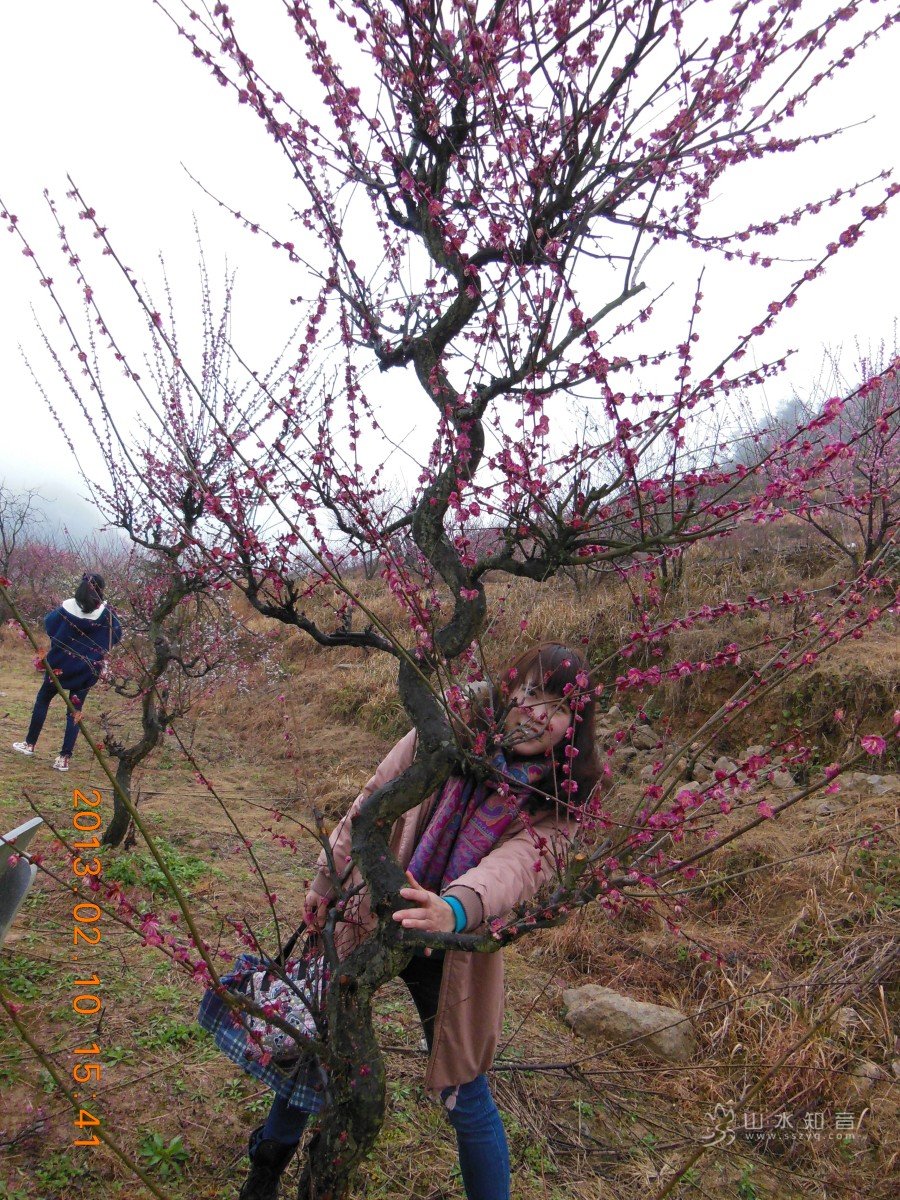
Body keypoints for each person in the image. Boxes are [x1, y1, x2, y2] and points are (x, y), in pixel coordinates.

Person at [238, 643, 600, 1200]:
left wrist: (452, 908)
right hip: (376, 906)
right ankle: (267, 1165)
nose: (534, 712)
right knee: (314, 1038)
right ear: (508, 688)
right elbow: (373, 801)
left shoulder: (561, 799)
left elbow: (515, 869)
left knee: (466, 1091)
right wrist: (326, 880)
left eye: (556, 707)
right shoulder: (448, 727)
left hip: (451, 943)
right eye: (529, 691)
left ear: (574, 726)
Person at [12, 573, 122, 772]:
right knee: (74, 711)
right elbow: (116, 634)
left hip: (59, 665)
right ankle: (64, 758)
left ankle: (29, 744)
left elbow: (49, 624)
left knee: (43, 700)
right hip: (87, 669)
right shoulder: (106, 613)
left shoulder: (68, 607)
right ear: (101, 590)